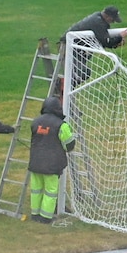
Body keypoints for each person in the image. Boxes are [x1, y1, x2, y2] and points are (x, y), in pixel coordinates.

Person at [26, 96, 75, 224]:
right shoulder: (61, 125)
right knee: (50, 191)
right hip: (52, 165)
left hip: (35, 162)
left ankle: (35, 214)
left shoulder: (35, 122)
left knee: (36, 189)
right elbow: (69, 145)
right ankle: (46, 217)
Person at [65, 6, 124, 92]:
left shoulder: (98, 19)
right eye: (113, 19)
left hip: (77, 48)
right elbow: (106, 42)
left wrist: (116, 43)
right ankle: (65, 89)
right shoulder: (98, 23)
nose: (113, 22)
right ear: (107, 16)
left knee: (81, 73)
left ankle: (67, 89)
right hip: (71, 48)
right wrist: (120, 37)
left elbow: (101, 40)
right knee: (83, 72)